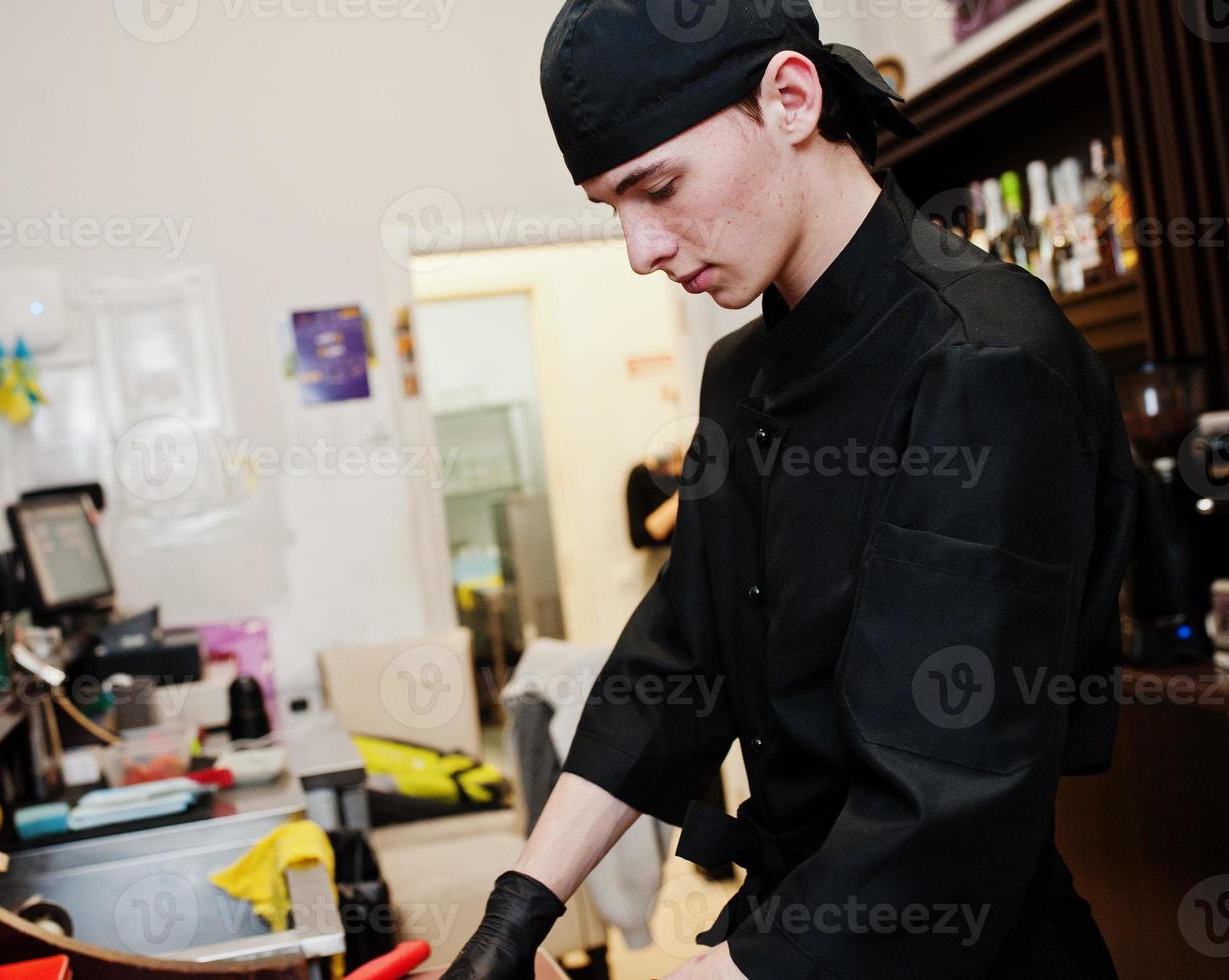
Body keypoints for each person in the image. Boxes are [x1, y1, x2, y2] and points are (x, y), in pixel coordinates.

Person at [441, 2, 1136, 979]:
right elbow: (676, 661)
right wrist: (516, 912)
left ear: (791, 98)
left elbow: (941, 811)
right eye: (612, 207)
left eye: (659, 186)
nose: (638, 249)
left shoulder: (982, 363)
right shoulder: (739, 373)